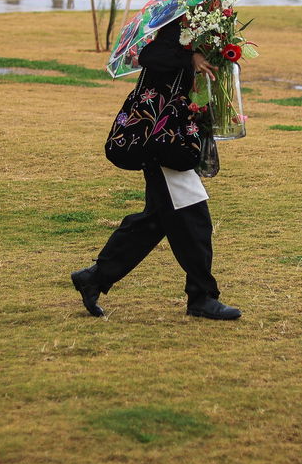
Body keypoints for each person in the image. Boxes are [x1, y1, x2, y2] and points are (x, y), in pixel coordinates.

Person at [71, 21, 242, 321]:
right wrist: (191, 58)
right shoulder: (176, 27)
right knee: (194, 219)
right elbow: (151, 56)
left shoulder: (199, 31)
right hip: (163, 141)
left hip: (171, 140)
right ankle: (201, 297)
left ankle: (94, 278)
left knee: (155, 221)